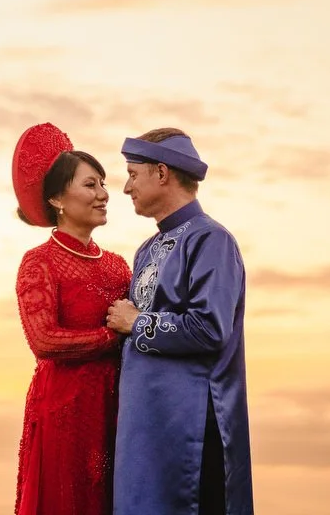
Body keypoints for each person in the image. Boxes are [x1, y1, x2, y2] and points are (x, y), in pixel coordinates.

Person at [105, 128, 253, 515]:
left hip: (192, 428)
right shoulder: (146, 250)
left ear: (161, 173)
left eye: (133, 174)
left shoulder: (211, 240)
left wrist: (137, 323)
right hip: (145, 429)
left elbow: (209, 328)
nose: (125, 188)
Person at [11, 123, 132, 515]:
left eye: (103, 185)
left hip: (116, 404)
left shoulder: (118, 266)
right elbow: (44, 341)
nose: (103, 195)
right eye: (91, 185)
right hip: (64, 406)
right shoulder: (39, 262)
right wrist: (110, 337)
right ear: (58, 199)